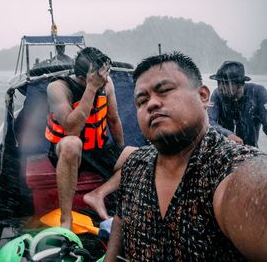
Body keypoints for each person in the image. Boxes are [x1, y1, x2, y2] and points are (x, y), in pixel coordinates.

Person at [105, 52, 267, 261]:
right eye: (141, 101)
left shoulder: (227, 164)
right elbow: (120, 222)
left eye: (165, 91)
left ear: (203, 96)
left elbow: (253, 185)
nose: (151, 104)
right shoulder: (134, 165)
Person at [45, 47, 135, 228]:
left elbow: (113, 119)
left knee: (137, 155)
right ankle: (66, 218)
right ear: (81, 78)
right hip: (67, 152)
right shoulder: (57, 88)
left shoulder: (106, 83)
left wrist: (121, 152)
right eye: (98, 78)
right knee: (72, 143)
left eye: (104, 75)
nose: (104, 80)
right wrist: (92, 88)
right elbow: (71, 129)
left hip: (96, 149)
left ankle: (98, 194)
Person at [208, 61, 267, 147]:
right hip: (224, 150)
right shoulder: (217, 95)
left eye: (225, 83)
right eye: (218, 83)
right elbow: (209, 121)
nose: (220, 88)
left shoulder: (257, 93)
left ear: (239, 84)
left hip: (250, 150)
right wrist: (227, 134)